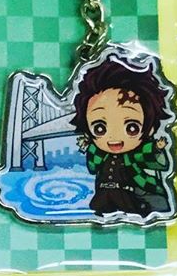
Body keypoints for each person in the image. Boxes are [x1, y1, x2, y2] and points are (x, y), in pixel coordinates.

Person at [71, 55, 171, 217]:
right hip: (104, 195)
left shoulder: (136, 154)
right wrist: (89, 147)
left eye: (131, 127)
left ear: (150, 129)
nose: (114, 137)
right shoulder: (100, 153)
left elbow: (155, 162)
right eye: (100, 128)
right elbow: (93, 167)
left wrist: (156, 148)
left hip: (130, 196)